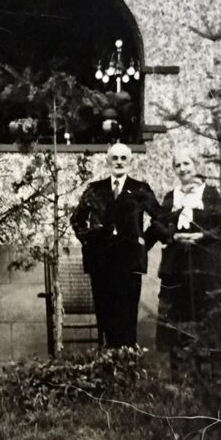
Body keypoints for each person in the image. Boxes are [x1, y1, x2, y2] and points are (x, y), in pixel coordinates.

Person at [70, 143, 160, 347]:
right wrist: (89, 240)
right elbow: (76, 219)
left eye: (123, 158)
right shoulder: (95, 189)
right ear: (108, 161)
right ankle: (109, 368)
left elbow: (160, 218)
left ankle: (127, 368)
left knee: (127, 318)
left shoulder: (140, 189)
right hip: (101, 262)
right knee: (105, 316)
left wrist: (144, 242)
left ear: (130, 162)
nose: (119, 162)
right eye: (115, 158)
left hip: (129, 263)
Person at [149, 147, 221, 353]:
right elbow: (157, 224)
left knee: (207, 315)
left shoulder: (209, 194)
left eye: (187, 163)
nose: (183, 169)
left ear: (195, 165)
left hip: (205, 264)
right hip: (177, 267)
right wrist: (172, 235)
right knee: (178, 319)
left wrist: (201, 236)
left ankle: (211, 371)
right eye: (178, 165)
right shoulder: (171, 196)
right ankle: (180, 373)